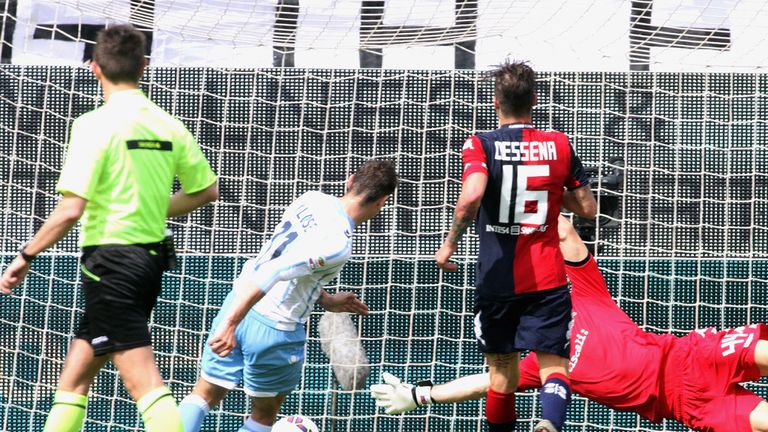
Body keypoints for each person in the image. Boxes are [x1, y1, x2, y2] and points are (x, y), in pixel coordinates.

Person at [0, 24, 219, 432]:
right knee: (75, 378)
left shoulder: (93, 125)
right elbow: (206, 191)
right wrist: (151, 208)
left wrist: (25, 256)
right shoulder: (168, 125)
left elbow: (70, 210)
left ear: (95, 68)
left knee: (143, 382)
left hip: (110, 265)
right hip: (148, 262)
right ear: (145, 66)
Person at [376, 216, 768, 432]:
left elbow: (564, 230)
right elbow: (484, 384)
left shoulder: (581, 291)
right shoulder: (543, 366)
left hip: (691, 357)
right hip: (686, 404)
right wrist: (420, 395)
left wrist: (515, 213)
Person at [434, 60, 597, 432]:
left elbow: (470, 197)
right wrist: (550, 192)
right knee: (554, 364)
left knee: (502, 373)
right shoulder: (559, 145)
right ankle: (550, 424)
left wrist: (449, 246)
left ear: (495, 101)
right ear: (535, 100)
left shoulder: (481, 144)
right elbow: (587, 208)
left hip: (497, 280)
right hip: (547, 279)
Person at [178, 159, 399, 432]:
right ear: (383, 202)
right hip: (273, 327)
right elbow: (277, 269)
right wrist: (232, 324)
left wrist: (325, 299)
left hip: (238, 297)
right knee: (263, 416)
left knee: (203, 394)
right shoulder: (338, 243)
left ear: (350, 180)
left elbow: (291, 264)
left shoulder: (312, 198)